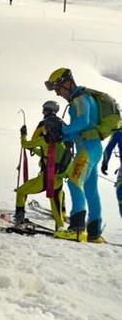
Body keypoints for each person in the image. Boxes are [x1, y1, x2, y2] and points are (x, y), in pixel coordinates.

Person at [43, 67, 104, 242]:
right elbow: (79, 128)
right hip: (92, 148)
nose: (58, 94)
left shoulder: (81, 99)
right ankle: (94, 233)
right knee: (91, 190)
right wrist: (62, 135)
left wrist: (62, 129)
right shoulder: (82, 99)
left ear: (68, 83)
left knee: (74, 180)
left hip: (87, 149)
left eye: (58, 89)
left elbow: (82, 123)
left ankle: (77, 229)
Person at [15, 101, 73, 229]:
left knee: (21, 192)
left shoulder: (43, 138)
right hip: (58, 177)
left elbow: (25, 144)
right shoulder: (63, 136)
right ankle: (60, 226)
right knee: (56, 202)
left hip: (46, 177)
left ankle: (19, 219)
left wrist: (23, 134)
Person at [102, 129, 122, 216]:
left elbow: (108, 148)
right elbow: (108, 148)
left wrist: (105, 163)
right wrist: (105, 163)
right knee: (120, 193)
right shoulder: (118, 132)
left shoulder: (118, 132)